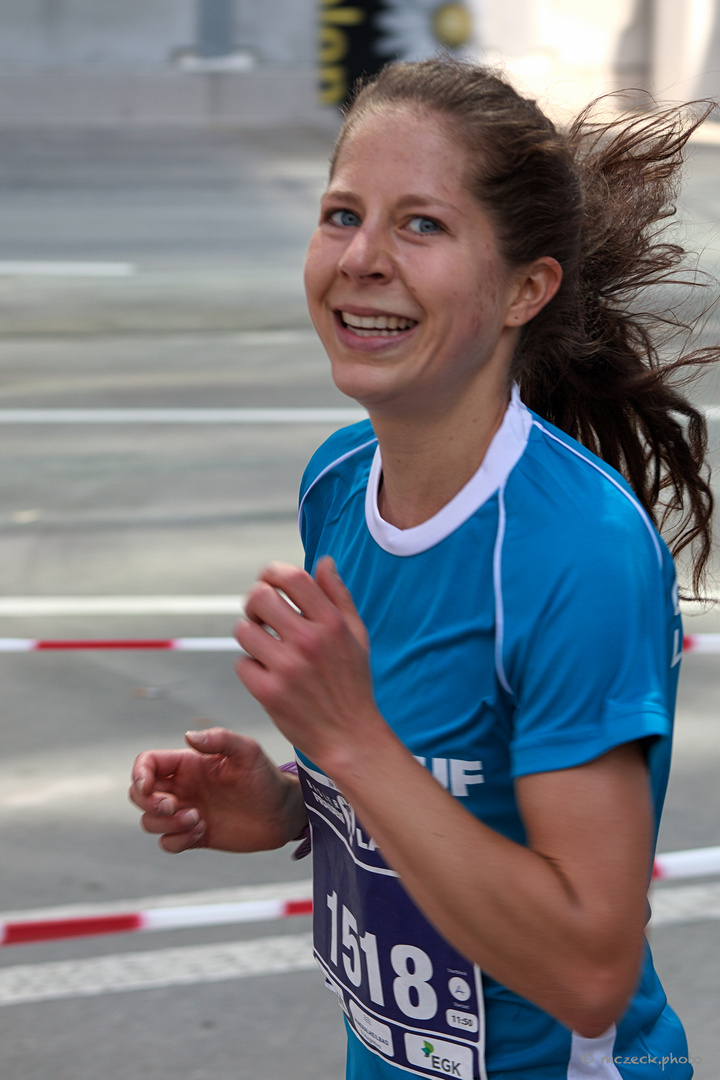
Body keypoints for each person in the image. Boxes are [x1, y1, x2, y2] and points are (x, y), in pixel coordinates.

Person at [130, 59, 717, 1079]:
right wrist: (288, 804)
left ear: (526, 289)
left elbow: (588, 969)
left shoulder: (577, 555)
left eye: (422, 225)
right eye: (342, 213)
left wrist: (348, 741)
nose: (360, 257)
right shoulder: (337, 482)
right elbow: (429, 793)